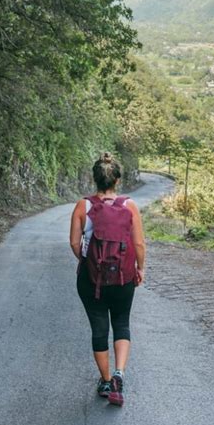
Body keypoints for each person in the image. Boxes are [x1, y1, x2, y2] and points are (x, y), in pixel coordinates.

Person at [69, 152, 146, 406]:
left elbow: (73, 242)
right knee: (122, 323)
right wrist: (140, 268)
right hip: (123, 277)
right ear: (117, 180)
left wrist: (86, 261)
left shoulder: (83, 205)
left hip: (92, 279)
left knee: (99, 328)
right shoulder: (129, 206)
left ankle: (104, 380)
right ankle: (119, 375)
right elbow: (139, 243)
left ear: (94, 179)